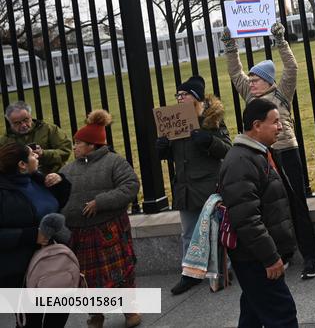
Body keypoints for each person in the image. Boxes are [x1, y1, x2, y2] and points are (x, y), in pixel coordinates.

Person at [222, 21, 315, 280]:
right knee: (272, 208)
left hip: (286, 152)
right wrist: (230, 46)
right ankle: (282, 255)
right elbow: (235, 73)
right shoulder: (249, 95)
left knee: (296, 203)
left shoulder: (282, 93)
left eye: (255, 80)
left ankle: (310, 257)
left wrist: (280, 40)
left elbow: (292, 67)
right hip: (263, 156)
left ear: (267, 81)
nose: (251, 83)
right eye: (251, 80)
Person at [218, 98, 298, 328]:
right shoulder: (241, 162)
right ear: (256, 125)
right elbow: (247, 220)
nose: (280, 126)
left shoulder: (258, 154)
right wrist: (270, 257)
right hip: (255, 258)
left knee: (253, 311)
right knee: (282, 314)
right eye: (275, 122)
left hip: (255, 255)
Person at [60, 110, 141, 328]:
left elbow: (130, 186)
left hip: (108, 229)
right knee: (86, 277)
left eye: (79, 143)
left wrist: (100, 202)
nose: (74, 147)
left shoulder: (114, 162)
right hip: (78, 233)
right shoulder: (68, 169)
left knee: (121, 272)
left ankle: (130, 310)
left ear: (92, 145)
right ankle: (95, 314)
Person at [155, 75, 232, 295]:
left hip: (208, 187)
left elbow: (227, 149)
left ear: (196, 97)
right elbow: (177, 156)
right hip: (185, 188)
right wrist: (163, 148)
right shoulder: (175, 121)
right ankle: (190, 275)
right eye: (178, 95)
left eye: (184, 94)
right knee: (188, 233)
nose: (180, 98)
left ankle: (223, 270)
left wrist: (209, 141)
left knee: (214, 231)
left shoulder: (212, 119)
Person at [0, 142, 72, 328]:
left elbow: (57, 203)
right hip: (17, 270)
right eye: (32, 154)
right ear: (22, 164)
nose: (37, 156)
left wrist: (60, 182)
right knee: (30, 321)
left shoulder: (36, 179)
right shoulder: (3, 192)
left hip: (52, 261)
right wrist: (32, 236)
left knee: (58, 314)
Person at [2, 102, 73, 175]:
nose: (23, 125)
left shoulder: (49, 129)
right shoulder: (5, 140)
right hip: (22, 179)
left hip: (53, 175)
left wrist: (43, 154)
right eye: (17, 123)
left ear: (30, 116)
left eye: (26, 120)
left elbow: (66, 151)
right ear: (10, 123)